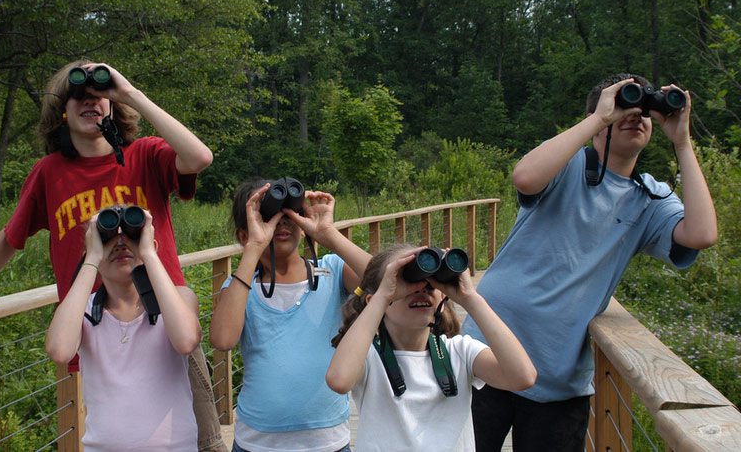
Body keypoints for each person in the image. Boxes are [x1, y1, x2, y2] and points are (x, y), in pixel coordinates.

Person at [0, 60, 226, 451]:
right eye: (78, 98)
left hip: (166, 326)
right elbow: (9, 238)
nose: (90, 103)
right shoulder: (49, 173)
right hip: (97, 330)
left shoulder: (144, 155)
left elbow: (199, 158)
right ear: (61, 112)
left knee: (203, 439)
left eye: (99, 97)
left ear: (113, 106)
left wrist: (126, 91)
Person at [462, 73, 718, 451]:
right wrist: (598, 118)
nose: (636, 117)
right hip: (485, 351)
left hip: (557, 376)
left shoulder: (649, 198)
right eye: (625, 108)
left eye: (645, 112)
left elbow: (701, 234)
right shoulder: (567, 165)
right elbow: (525, 176)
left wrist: (682, 141)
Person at [209, 178, 372, 452]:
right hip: (257, 442)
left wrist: (328, 234)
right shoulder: (239, 287)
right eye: (268, 215)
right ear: (242, 233)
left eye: (289, 214)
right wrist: (254, 247)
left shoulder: (332, 270)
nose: (281, 223)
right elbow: (223, 339)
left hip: (327, 441)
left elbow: (385, 280)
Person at [325, 244, 536, 452]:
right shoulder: (369, 357)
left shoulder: (460, 352)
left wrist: (470, 298)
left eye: (431, 286)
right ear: (375, 302)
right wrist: (382, 297)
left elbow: (522, 377)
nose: (420, 290)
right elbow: (339, 380)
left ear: (442, 296)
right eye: (406, 281)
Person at [46, 208, 201, 450]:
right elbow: (59, 350)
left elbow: (186, 341)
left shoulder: (178, 299)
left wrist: (148, 253)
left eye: (130, 236)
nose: (120, 244)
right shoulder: (83, 312)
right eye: (108, 238)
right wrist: (91, 259)